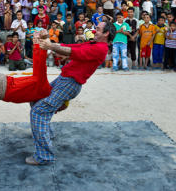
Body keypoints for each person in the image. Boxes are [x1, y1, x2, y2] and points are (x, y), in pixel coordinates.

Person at [27, 21, 115, 165]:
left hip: (69, 84)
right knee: (36, 99)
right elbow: (73, 47)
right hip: (65, 80)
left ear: (106, 33)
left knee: (39, 111)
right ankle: (45, 133)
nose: (94, 30)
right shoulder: (93, 43)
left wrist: (50, 46)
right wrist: (53, 46)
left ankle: (44, 156)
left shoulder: (101, 48)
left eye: (98, 29)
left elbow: (73, 52)